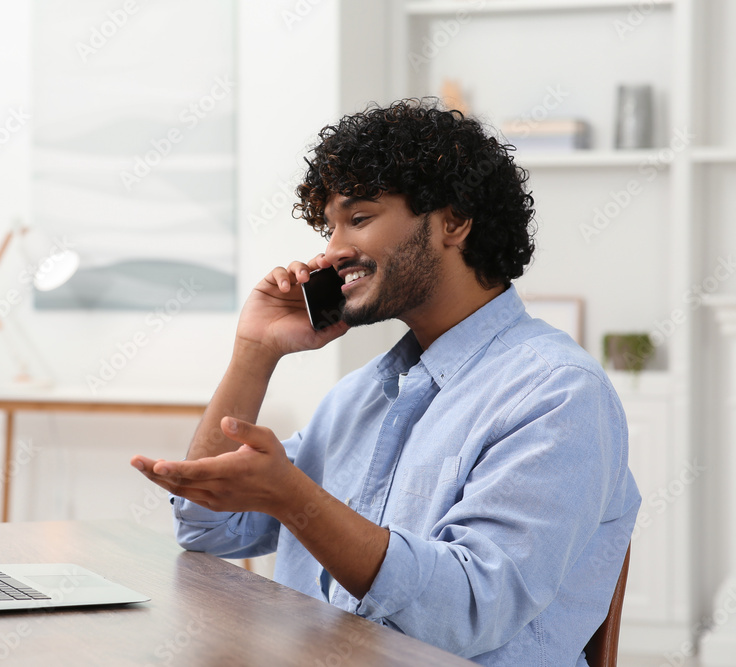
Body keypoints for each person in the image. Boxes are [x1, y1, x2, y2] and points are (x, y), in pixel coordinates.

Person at [130, 98, 640, 665]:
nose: (332, 251)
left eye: (360, 218)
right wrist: (256, 352)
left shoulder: (556, 394)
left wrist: (294, 497)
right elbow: (207, 527)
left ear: (454, 221)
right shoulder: (359, 397)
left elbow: (470, 611)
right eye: (329, 227)